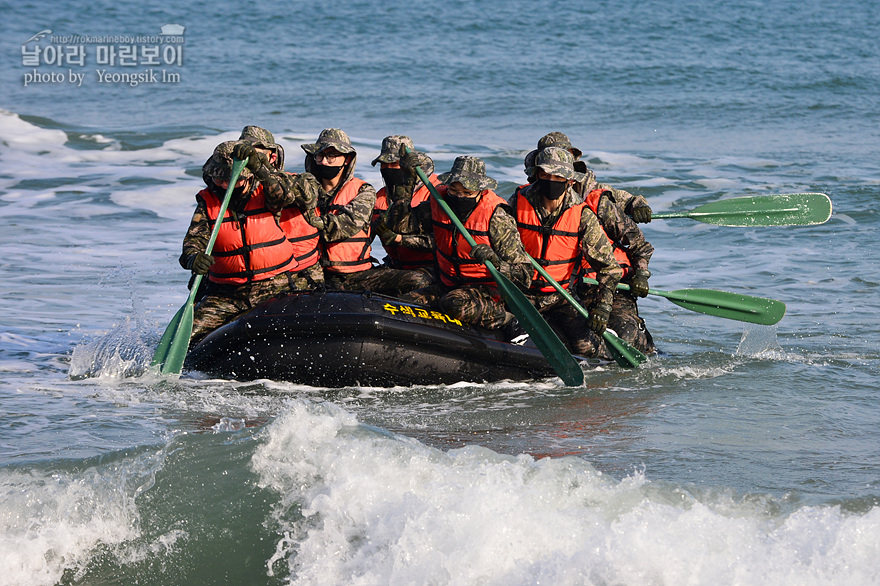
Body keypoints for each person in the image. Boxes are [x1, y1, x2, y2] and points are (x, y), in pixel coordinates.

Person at [180, 140, 314, 345]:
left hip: (275, 286)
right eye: (220, 179)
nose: (227, 185)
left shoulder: (266, 192)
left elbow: (286, 195)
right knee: (187, 337)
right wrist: (193, 258)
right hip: (228, 293)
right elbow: (193, 240)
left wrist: (259, 166)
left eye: (233, 179)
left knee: (294, 331)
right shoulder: (207, 202)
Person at [398, 154, 533, 339]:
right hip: (448, 284)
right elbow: (400, 225)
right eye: (454, 191)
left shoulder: (497, 217)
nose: (460, 197)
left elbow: (525, 274)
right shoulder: (440, 202)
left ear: (481, 191)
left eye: (467, 193)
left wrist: (495, 261)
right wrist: (406, 184)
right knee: (404, 305)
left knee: (453, 304)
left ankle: (509, 319)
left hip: (485, 292)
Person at [510, 147, 623, 358]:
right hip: (521, 294)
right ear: (536, 174)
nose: (550, 180)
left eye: (557, 176)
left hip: (560, 296)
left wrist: (603, 307)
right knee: (518, 346)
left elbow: (609, 267)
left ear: (570, 180)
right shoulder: (517, 201)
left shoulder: (582, 214)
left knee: (588, 349)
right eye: (544, 174)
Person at [235, 126, 324, 291]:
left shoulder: (301, 180)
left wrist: (260, 169)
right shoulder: (235, 190)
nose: (248, 157)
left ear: (272, 156)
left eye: (254, 152)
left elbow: (296, 196)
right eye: (244, 151)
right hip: (254, 281)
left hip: (300, 275)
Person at [365, 135, 440, 295]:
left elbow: (442, 242)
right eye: (384, 164)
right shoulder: (378, 198)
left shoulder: (434, 193)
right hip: (396, 266)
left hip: (433, 269)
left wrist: (400, 239)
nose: (388, 168)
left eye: (394, 163)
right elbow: (363, 240)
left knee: (416, 282)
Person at [523, 131, 653, 223]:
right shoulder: (530, 193)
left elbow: (624, 199)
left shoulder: (587, 187)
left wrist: (638, 206)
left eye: (566, 155)